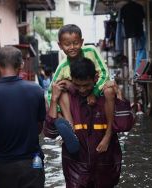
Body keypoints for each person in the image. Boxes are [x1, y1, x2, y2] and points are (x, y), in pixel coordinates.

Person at [44, 58, 122, 187]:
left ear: (95, 78)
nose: (82, 90)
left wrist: (118, 94)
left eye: (86, 85)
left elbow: (125, 125)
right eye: (77, 85)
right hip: (76, 167)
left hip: (104, 166)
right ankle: (70, 128)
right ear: (72, 80)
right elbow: (50, 133)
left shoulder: (106, 97)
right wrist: (53, 99)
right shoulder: (66, 98)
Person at [0, 46, 46, 188]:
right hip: (32, 163)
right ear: (21, 65)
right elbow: (40, 128)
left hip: (3, 165)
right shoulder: (36, 90)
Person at [47, 24, 116, 153]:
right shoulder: (62, 67)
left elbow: (104, 73)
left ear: (82, 42)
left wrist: (94, 93)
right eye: (67, 44)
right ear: (60, 45)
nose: (72, 47)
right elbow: (51, 91)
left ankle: (108, 133)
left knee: (109, 89)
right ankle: (70, 126)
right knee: (61, 88)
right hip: (75, 95)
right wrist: (58, 113)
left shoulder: (91, 51)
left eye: (76, 43)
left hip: (96, 89)